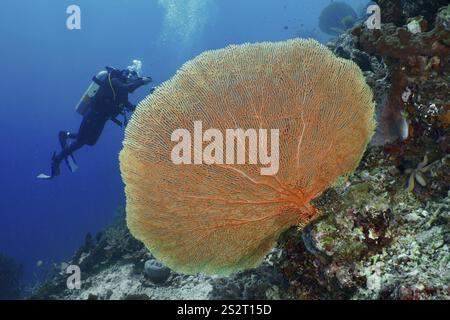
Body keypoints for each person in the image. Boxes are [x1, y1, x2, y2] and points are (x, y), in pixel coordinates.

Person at [38, 63, 153, 179]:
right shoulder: (114, 79)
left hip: (103, 118)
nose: (132, 81)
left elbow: (128, 105)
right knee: (80, 142)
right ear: (128, 74)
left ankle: (66, 135)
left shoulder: (123, 92)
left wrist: (144, 101)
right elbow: (127, 87)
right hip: (93, 114)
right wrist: (142, 81)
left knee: (91, 142)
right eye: (133, 78)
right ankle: (57, 160)